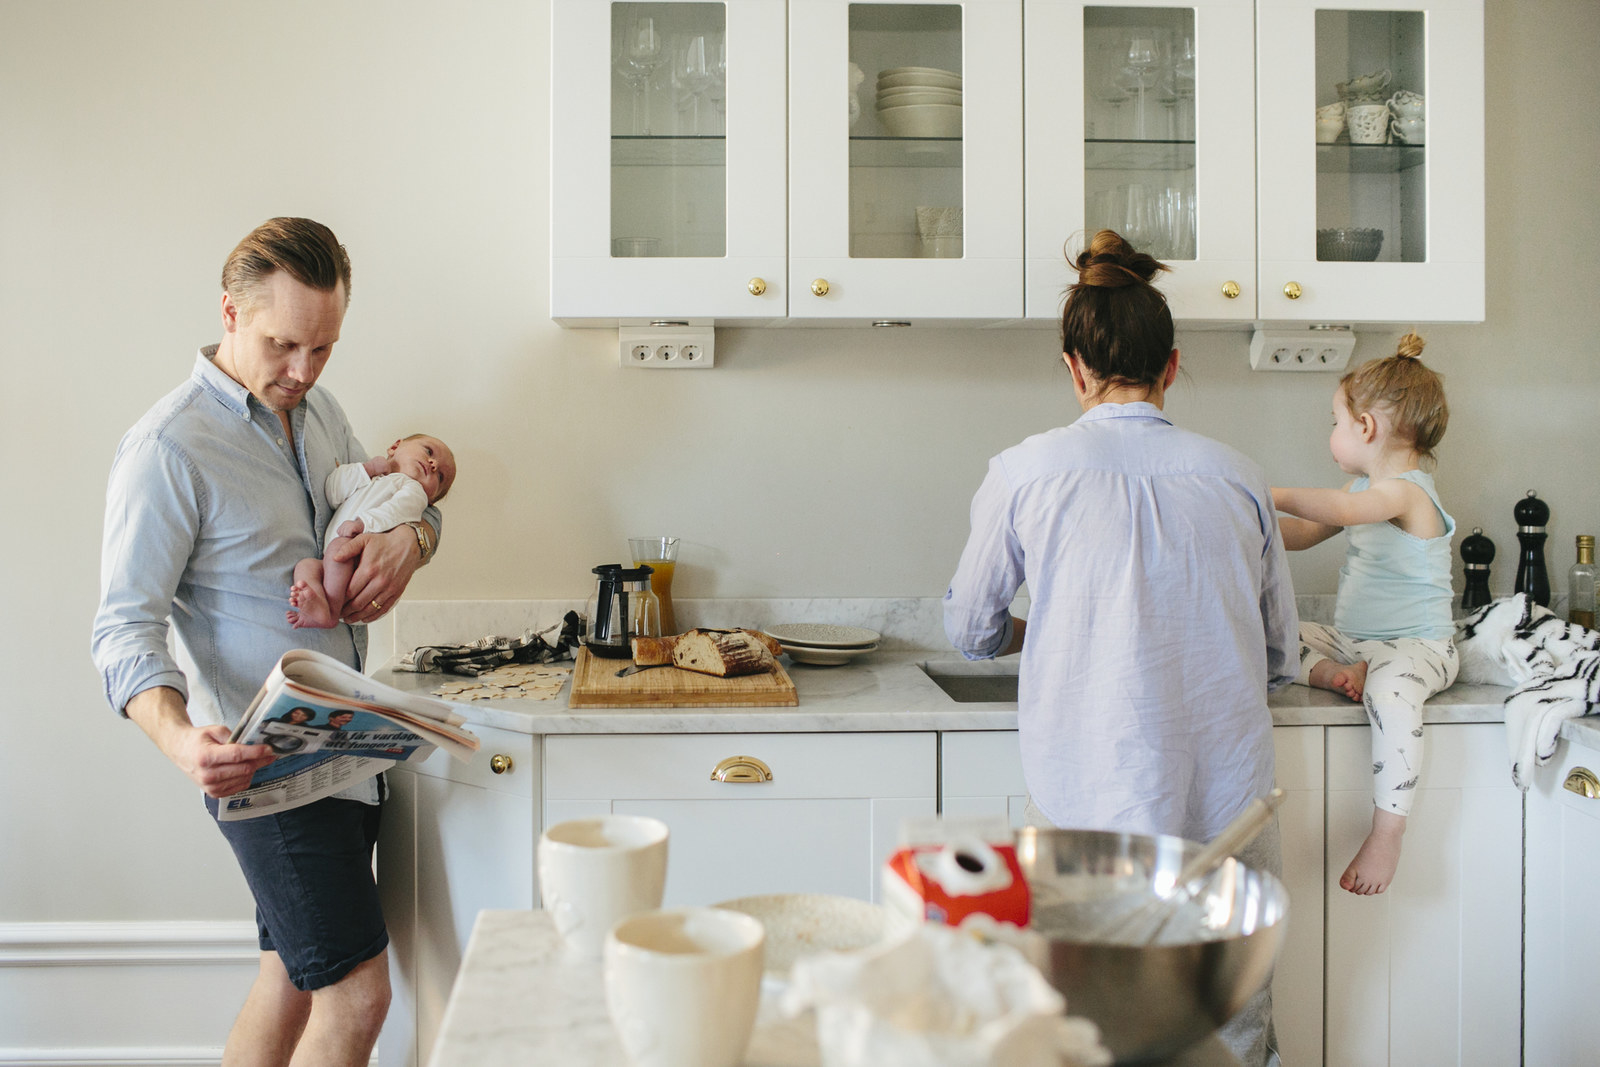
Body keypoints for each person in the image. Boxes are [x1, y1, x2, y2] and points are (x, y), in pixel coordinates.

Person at [91, 217, 442, 1067]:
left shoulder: (322, 414)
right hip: (268, 775)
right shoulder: (168, 448)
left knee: (289, 976)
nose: (304, 371)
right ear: (230, 313)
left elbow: (391, 505)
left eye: (324, 347)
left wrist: (413, 538)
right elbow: (120, 629)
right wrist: (179, 741)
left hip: (348, 754)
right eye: (286, 345)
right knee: (359, 997)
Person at [943, 230, 1298, 1067]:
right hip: (1229, 812)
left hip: (1088, 815)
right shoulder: (1239, 474)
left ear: (1074, 367)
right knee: (1229, 1026)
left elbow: (970, 628)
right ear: (1172, 366)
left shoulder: (1026, 472)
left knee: (1086, 1031)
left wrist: (1053, 627)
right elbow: (1280, 652)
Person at [1272, 332, 1456, 896]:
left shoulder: (1407, 492)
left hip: (1417, 647)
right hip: (1355, 642)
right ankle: (1333, 674)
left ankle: (1387, 832)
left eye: (1335, 421)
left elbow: (1347, 512)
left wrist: (1265, 490)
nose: (1332, 434)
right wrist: (1246, 522)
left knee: (1392, 694)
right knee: (1263, 629)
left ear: (1366, 427)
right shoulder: (1363, 487)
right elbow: (1303, 535)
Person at [288, 433, 456, 629]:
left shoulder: (413, 491)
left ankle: (331, 613)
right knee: (306, 566)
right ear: (395, 446)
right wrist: (366, 469)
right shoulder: (371, 476)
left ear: (431, 499)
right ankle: (318, 604)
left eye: (441, 477)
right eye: (428, 451)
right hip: (332, 565)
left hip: (362, 566)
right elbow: (333, 492)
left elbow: (395, 511)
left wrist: (363, 523)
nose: (433, 464)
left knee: (338, 550)